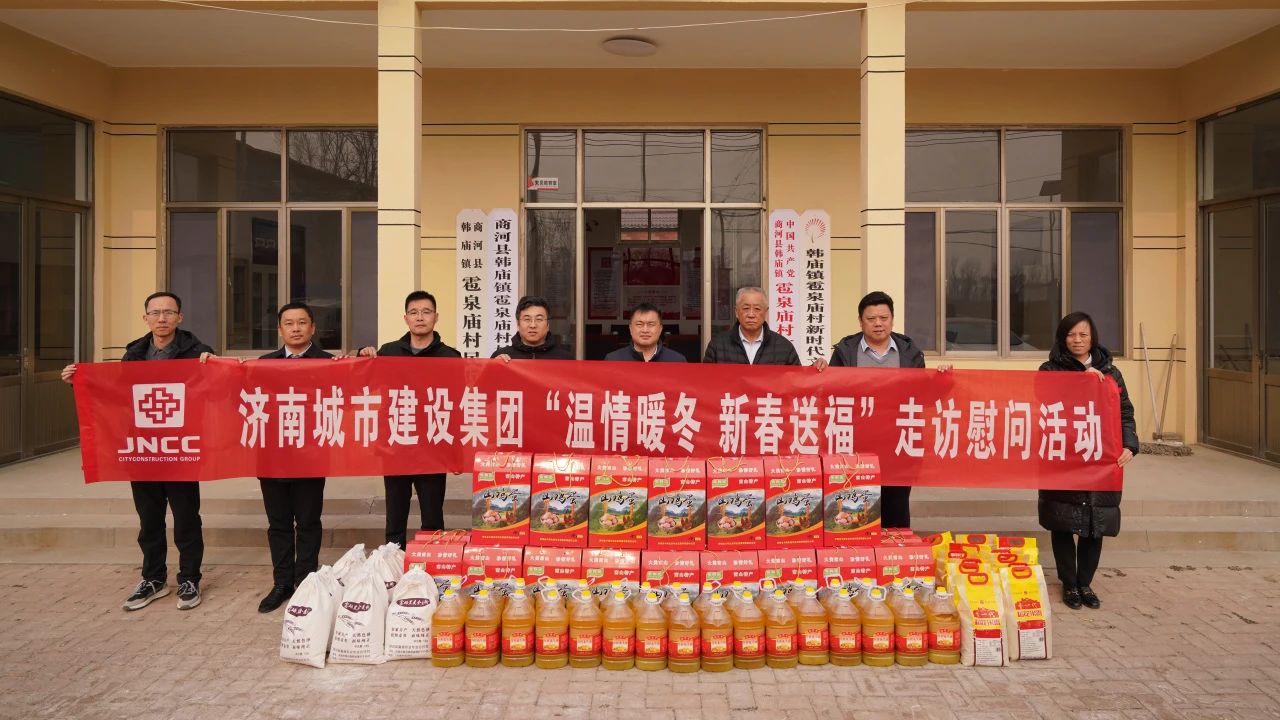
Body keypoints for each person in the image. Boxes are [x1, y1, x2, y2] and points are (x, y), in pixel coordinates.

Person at [61, 291, 215, 612]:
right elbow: (117, 395)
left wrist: (215, 366)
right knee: (149, 520)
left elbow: (215, 390)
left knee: (186, 518)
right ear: (145, 318)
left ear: (180, 317)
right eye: (155, 313)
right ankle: (154, 579)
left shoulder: (198, 352)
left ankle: (189, 578)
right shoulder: (133, 354)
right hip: (143, 449)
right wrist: (81, 382)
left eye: (168, 312)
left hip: (180, 449)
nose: (162, 318)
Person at [824, 291, 949, 530]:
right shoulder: (845, 352)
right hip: (857, 446)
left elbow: (923, 397)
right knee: (857, 509)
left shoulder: (910, 353)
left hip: (898, 445)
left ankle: (896, 552)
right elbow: (831, 393)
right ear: (861, 321)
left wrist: (943, 381)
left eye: (883, 318)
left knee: (896, 511)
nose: (878, 323)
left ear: (892, 319)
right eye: (871, 319)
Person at [1037, 311, 1137, 611]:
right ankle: (1069, 584)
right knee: (1063, 523)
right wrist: (1082, 382)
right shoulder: (1049, 369)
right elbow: (1043, 404)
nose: (1077, 340)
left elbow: (1125, 412)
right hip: (1063, 459)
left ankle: (1085, 583)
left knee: (1096, 524)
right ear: (1062, 338)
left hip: (1100, 460)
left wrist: (1130, 444)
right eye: (1071, 335)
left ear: (1092, 338)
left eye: (1083, 334)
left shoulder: (1112, 372)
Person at [354, 291, 461, 547]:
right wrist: (361, 356)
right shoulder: (388, 352)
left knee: (432, 516)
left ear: (436, 317)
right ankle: (394, 562)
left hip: (433, 446)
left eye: (426, 312)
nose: (420, 317)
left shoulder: (450, 357)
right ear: (406, 319)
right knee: (395, 515)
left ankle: (431, 562)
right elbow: (361, 382)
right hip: (396, 444)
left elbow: (457, 407)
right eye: (414, 312)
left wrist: (456, 453)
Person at [255, 302, 334, 613]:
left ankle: (305, 582)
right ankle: (281, 583)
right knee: (278, 524)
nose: (296, 328)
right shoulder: (263, 365)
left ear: (313, 327)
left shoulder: (329, 363)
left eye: (302, 322)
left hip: (311, 457)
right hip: (272, 457)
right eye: (289, 323)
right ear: (280, 330)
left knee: (308, 522)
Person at [702, 287, 800, 365]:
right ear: (736, 312)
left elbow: (797, 380)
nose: (751, 314)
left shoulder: (784, 347)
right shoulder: (718, 345)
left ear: (766, 312)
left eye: (757, 309)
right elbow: (706, 379)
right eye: (746, 308)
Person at [492, 296, 575, 362]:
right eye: (527, 319)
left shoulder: (565, 359)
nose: (533, 325)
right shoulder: (502, 357)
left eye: (539, 319)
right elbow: (486, 379)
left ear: (548, 325)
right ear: (518, 324)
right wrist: (493, 367)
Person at [604, 302, 687, 362]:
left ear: (660, 329)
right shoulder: (613, 359)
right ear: (630, 328)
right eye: (639, 324)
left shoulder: (677, 360)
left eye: (651, 324)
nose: (645, 330)